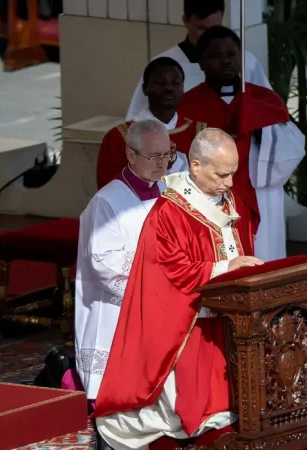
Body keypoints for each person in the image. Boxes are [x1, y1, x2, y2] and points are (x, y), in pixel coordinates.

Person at [94, 128, 264, 450]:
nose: (229, 183)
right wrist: (224, 268)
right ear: (196, 167)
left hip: (228, 319)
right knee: (183, 406)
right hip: (188, 322)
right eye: (222, 174)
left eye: (233, 174)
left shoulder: (232, 200)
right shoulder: (169, 212)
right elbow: (168, 271)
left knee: (227, 396)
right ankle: (117, 434)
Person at [76, 120, 188, 409]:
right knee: (117, 400)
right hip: (118, 311)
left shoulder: (169, 193)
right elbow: (103, 261)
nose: (163, 164)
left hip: (159, 306)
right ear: (130, 155)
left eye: (168, 155)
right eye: (154, 157)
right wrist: (157, 269)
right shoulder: (108, 202)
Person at [178, 26, 305, 263]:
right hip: (209, 197)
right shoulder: (188, 104)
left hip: (260, 192)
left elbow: (292, 147)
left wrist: (258, 125)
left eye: (231, 54)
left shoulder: (264, 99)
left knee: (263, 256)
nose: (225, 61)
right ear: (201, 62)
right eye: (215, 56)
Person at [125, 0, 272, 120]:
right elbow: (138, 118)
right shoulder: (162, 65)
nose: (209, 36)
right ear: (186, 21)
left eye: (215, 27)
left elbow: (267, 107)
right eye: (201, 28)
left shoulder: (246, 62)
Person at [97, 57, 203, 189]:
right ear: (145, 88)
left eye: (175, 83)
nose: (169, 88)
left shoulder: (199, 134)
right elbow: (110, 189)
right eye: (160, 83)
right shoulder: (120, 137)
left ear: (182, 88)